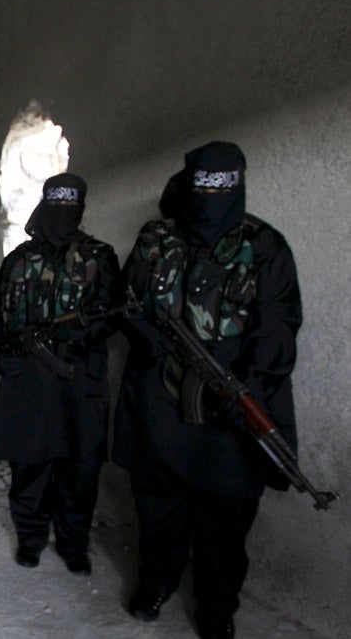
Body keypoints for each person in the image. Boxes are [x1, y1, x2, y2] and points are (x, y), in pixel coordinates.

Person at [114, 142, 302, 639]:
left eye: (223, 189)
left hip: (230, 405)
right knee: (157, 504)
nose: (211, 202)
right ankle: (156, 585)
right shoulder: (156, 238)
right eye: (203, 189)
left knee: (227, 517)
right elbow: (127, 300)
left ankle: (218, 607)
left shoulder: (264, 245)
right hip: (160, 399)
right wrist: (153, 340)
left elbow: (280, 327)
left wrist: (247, 385)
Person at [0, 173, 122, 576]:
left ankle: (73, 545)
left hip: (78, 380)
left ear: (80, 210)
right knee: (28, 468)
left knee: (79, 472)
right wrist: (5, 351)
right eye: (56, 205)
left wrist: (69, 334)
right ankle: (30, 539)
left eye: (71, 207)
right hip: (26, 382)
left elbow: (110, 315)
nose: (63, 215)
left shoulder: (99, 256)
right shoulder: (19, 259)